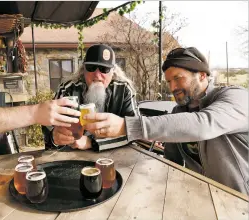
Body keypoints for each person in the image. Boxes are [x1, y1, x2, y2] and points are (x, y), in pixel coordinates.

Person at [82, 47, 249, 195]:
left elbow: (203, 124)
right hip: (202, 197)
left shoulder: (236, 97)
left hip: (240, 201)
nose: (172, 88)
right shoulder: (179, 111)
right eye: (169, 81)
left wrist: (127, 126)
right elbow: (172, 163)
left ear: (202, 75)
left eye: (178, 78)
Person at [44, 44, 139, 151]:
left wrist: (92, 143)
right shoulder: (68, 90)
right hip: (73, 157)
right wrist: (54, 137)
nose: (97, 75)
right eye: (91, 68)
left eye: (104, 69)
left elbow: (135, 131)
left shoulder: (123, 90)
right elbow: (49, 128)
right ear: (83, 69)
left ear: (113, 71)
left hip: (114, 155)